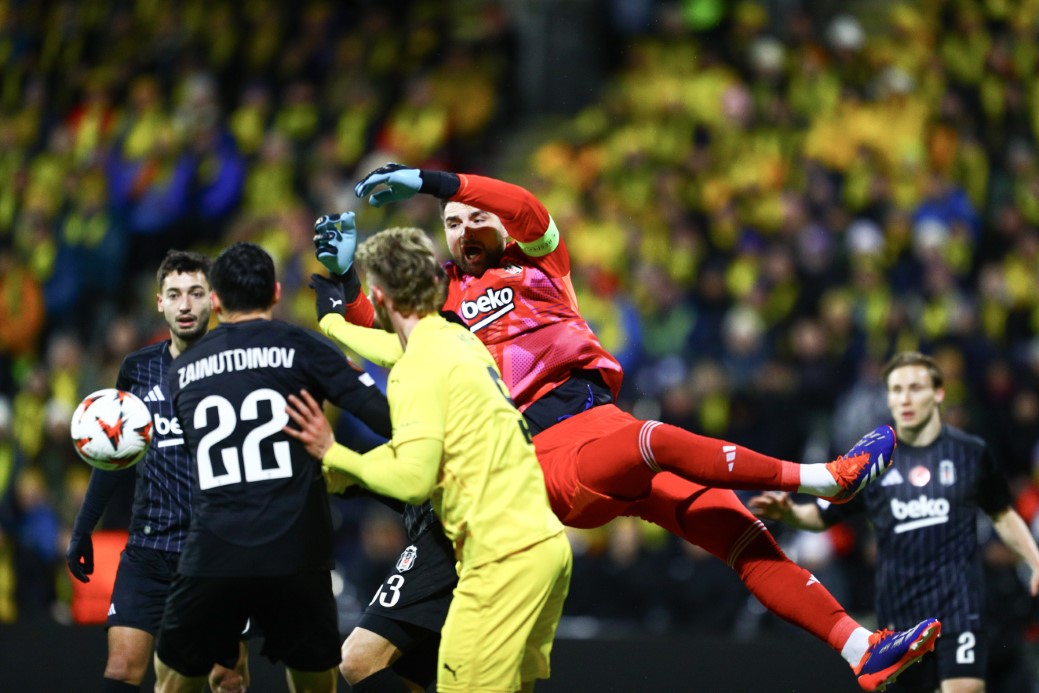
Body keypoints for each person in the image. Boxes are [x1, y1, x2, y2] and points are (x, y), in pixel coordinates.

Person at [305, 163, 941, 692]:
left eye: (476, 216)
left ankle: (861, 648)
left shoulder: (541, 265)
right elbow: (379, 330)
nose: (464, 228)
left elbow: (522, 203)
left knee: (737, 532)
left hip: (594, 425)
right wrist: (340, 282)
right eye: (451, 224)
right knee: (653, 438)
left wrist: (434, 181)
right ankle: (826, 478)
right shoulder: (438, 304)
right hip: (541, 452)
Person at [286, 225, 572, 693]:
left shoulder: (417, 370)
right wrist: (333, 323)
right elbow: (393, 348)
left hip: (499, 557)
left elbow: (415, 480)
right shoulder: (458, 340)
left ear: (378, 295)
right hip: (542, 544)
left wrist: (334, 454)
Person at [152, 242, 392, 693]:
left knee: (170, 680)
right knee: (314, 682)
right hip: (296, 552)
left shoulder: (181, 372)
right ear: (277, 292)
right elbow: (384, 418)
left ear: (216, 300)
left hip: (214, 553)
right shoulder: (305, 348)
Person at [750, 351, 1039, 693]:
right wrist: (791, 514)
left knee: (965, 688)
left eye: (915, 388)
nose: (905, 398)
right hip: (899, 615)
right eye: (896, 389)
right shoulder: (873, 461)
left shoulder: (969, 454)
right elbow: (823, 516)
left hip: (961, 606)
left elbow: (1002, 514)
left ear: (938, 394)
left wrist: (1034, 561)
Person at [65, 249, 250, 693]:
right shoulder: (138, 369)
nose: (185, 305)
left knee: (226, 678)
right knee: (122, 670)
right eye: (175, 294)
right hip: (149, 548)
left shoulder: (238, 363)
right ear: (159, 303)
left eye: (195, 293)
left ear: (214, 301)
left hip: (217, 551)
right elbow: (114, 455)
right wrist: (82, 528)